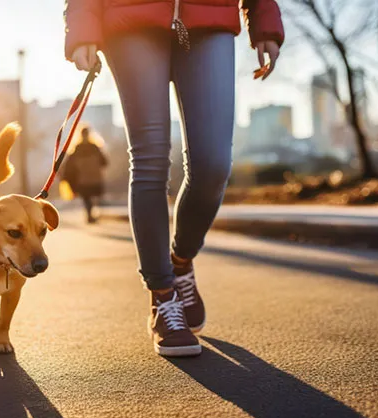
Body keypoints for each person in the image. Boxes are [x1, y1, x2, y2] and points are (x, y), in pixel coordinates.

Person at [64, 0, 284, 356]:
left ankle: (180, 261)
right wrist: (82, 23)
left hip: (209, 13)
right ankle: (163, 296)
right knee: (150, 160)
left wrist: (264, 18)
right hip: (130, 15)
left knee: (213, 164)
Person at [63, 126, 108, 223]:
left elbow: (104, 162)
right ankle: (90, 214)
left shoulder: (79, 148)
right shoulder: (92, 147)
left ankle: (90, 214)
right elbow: (104, 162)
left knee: (88, 197)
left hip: (87, 178)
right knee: (88, 197)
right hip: (86, 178)